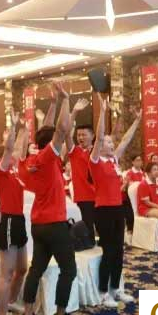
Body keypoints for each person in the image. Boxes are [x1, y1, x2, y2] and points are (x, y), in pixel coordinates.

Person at [20, 82, 85, 315]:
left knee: (36, 269)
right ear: (51, 146)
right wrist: (66, 99)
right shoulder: (48, 158)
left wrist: (55, 103)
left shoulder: (32, 160)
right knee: (69, 269)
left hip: (38, 224)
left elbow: (49, 130)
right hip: (55, 224)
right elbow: (60, 129)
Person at [89, 94, 141, 307]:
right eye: (108, 142)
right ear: (100, 145)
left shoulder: (113, 160)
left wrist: (137, 120)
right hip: (103, 211)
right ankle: (103, 292)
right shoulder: (95, 161)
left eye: (112, 142)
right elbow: (99, 136)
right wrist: (103, 112)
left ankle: (116, 289)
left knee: (119, 251)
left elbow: (126, 139)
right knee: (108, 251)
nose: (111, 144)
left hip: (118, 209)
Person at [0, 111, 28, 315]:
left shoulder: (14, 171)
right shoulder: (1, 170)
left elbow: (21, 145)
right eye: (9, 153)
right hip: (9, 221)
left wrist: (25, 127)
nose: (14, 154)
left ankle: (11, 302)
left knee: (22, 269)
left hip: (19, 220)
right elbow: (10, 148)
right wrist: (13, 127)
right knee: (7, 272)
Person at [65, 99, 95, 243]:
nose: (81, 138)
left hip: (101, 197)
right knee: (88, 234)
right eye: (79, 135)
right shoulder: (75, 152)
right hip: (84, 197)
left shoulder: (98, 151)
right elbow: (66, 134)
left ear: (92, 136)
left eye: (84, 135)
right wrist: (74, 112)